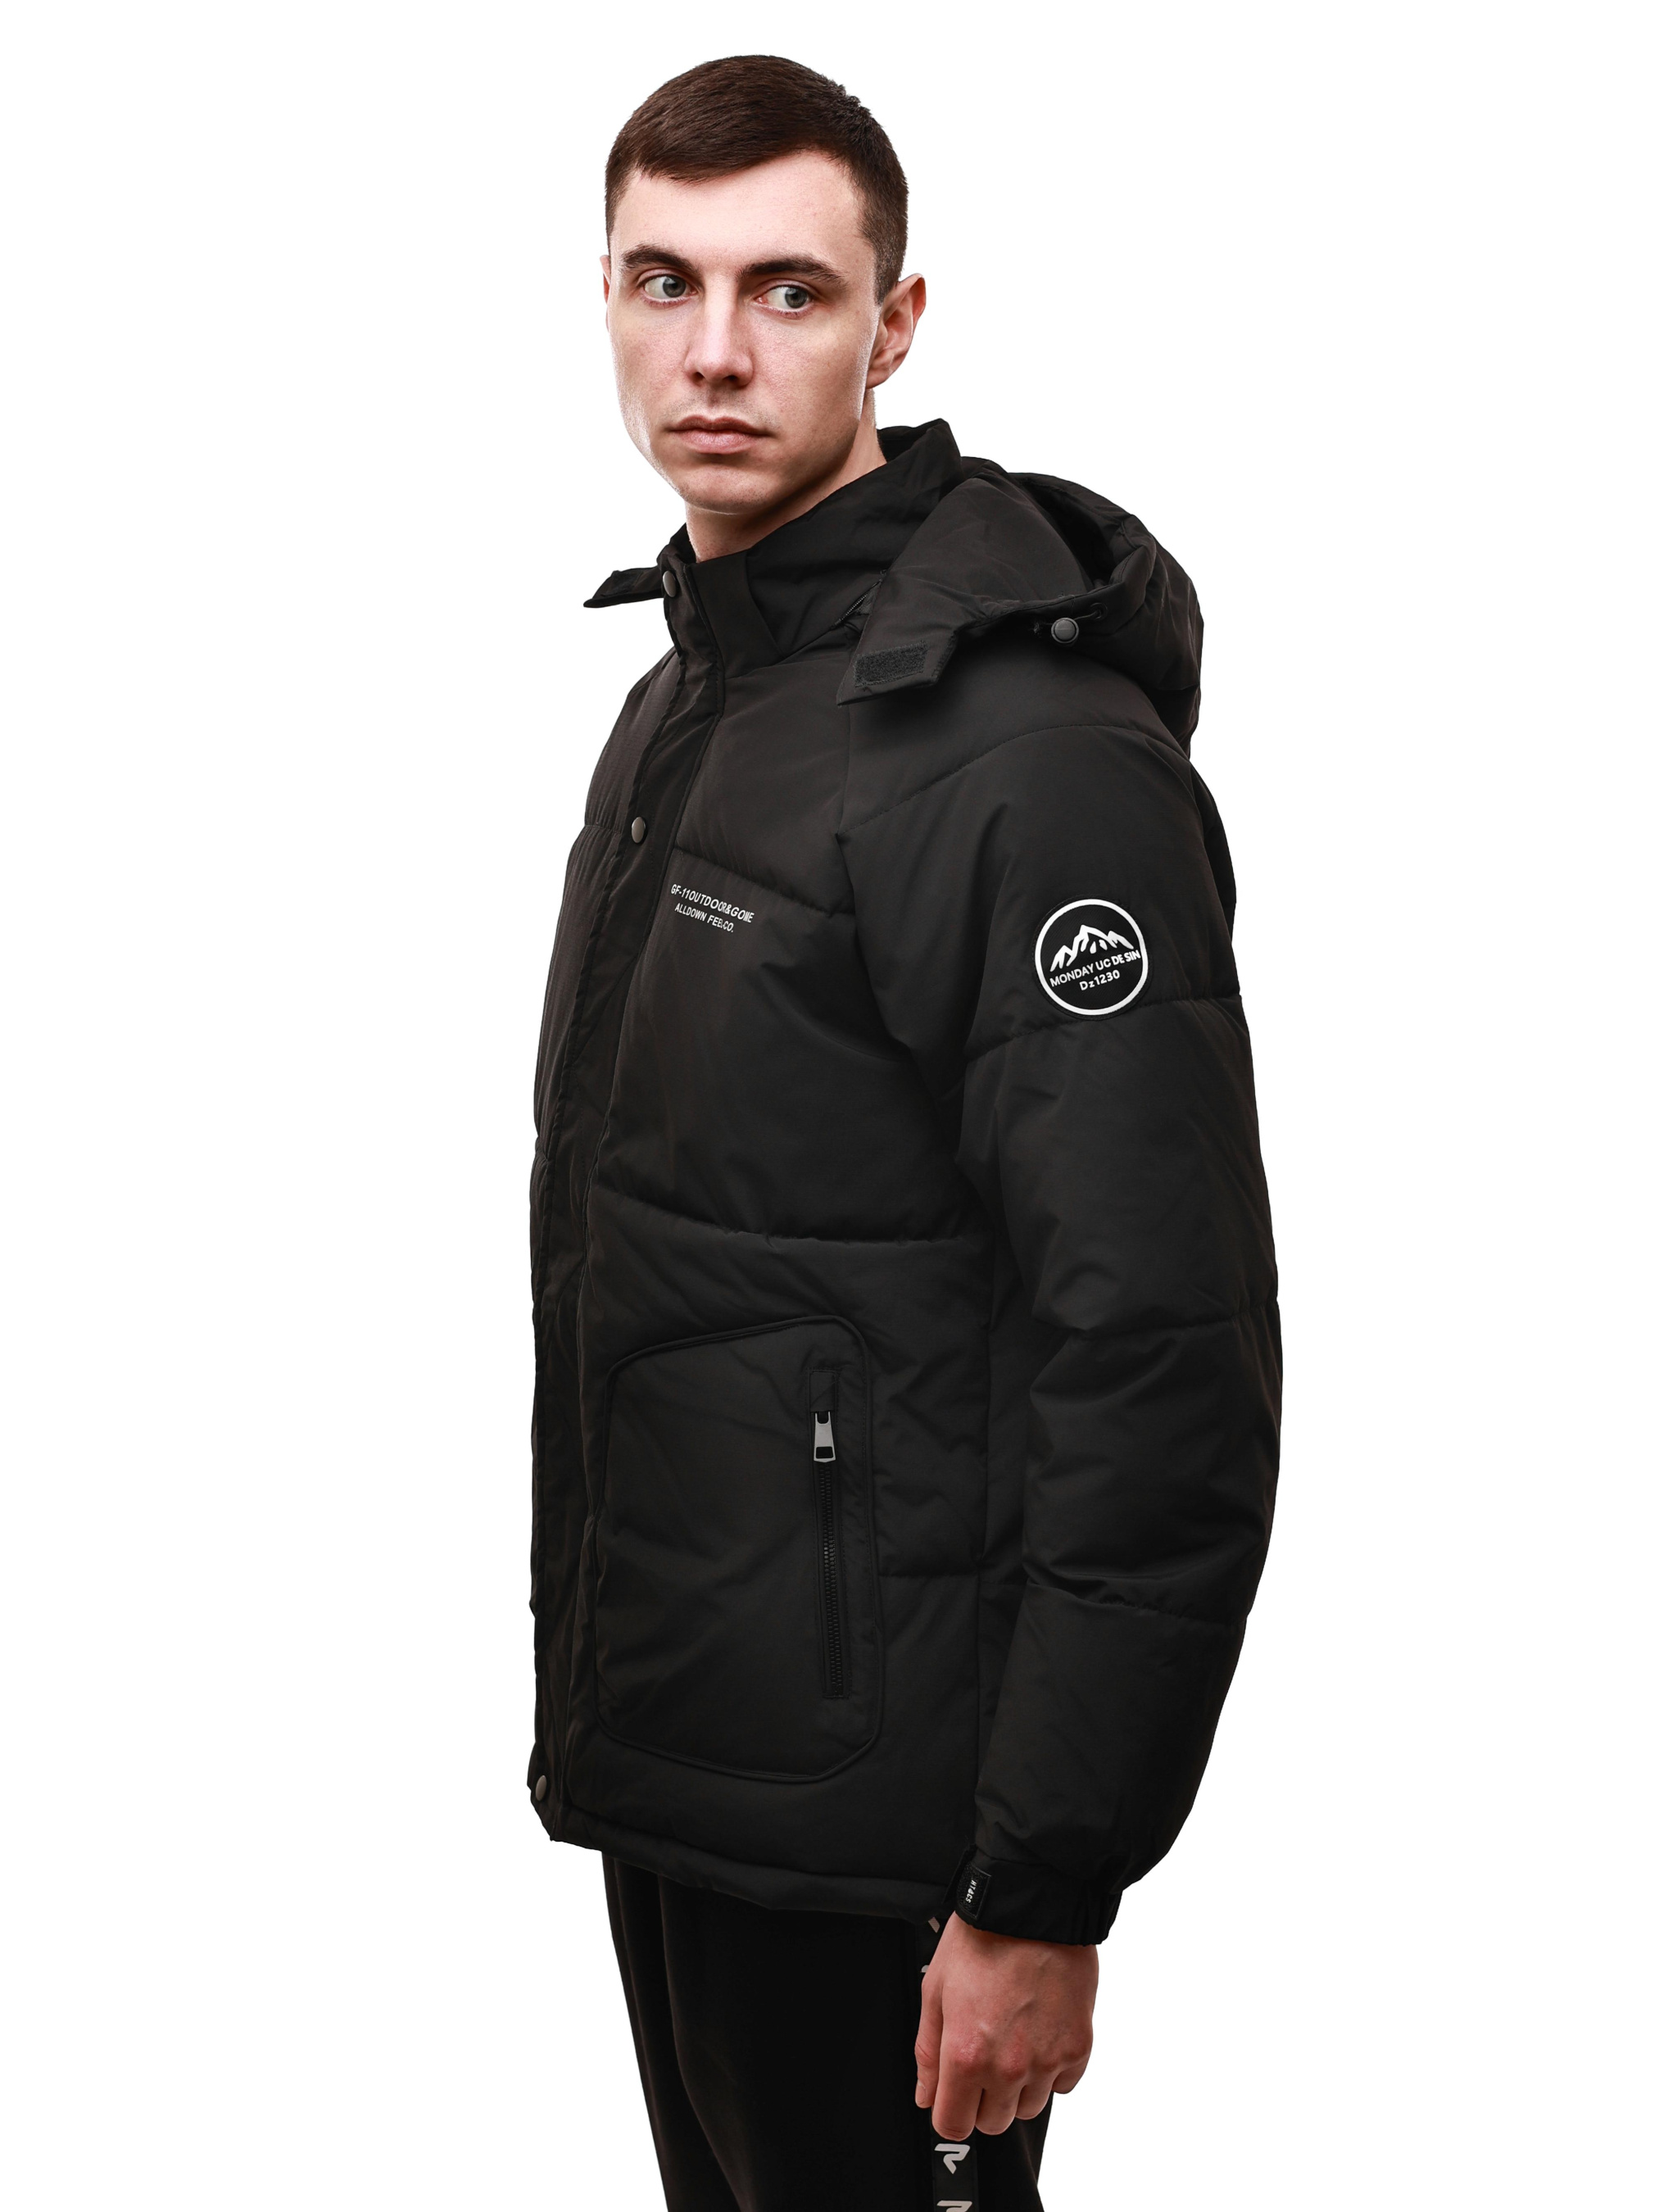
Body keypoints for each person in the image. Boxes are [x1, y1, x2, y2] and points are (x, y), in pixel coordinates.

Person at [527, 53, 1280, 2212]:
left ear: (896, 324)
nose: (714, 350)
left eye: (787, 289)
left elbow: (1155, 1346)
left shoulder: (1022, 752)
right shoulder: (697, 695)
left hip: (893, 1838)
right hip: (702, 1771)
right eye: (662, 281)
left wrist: (1045, 1883)